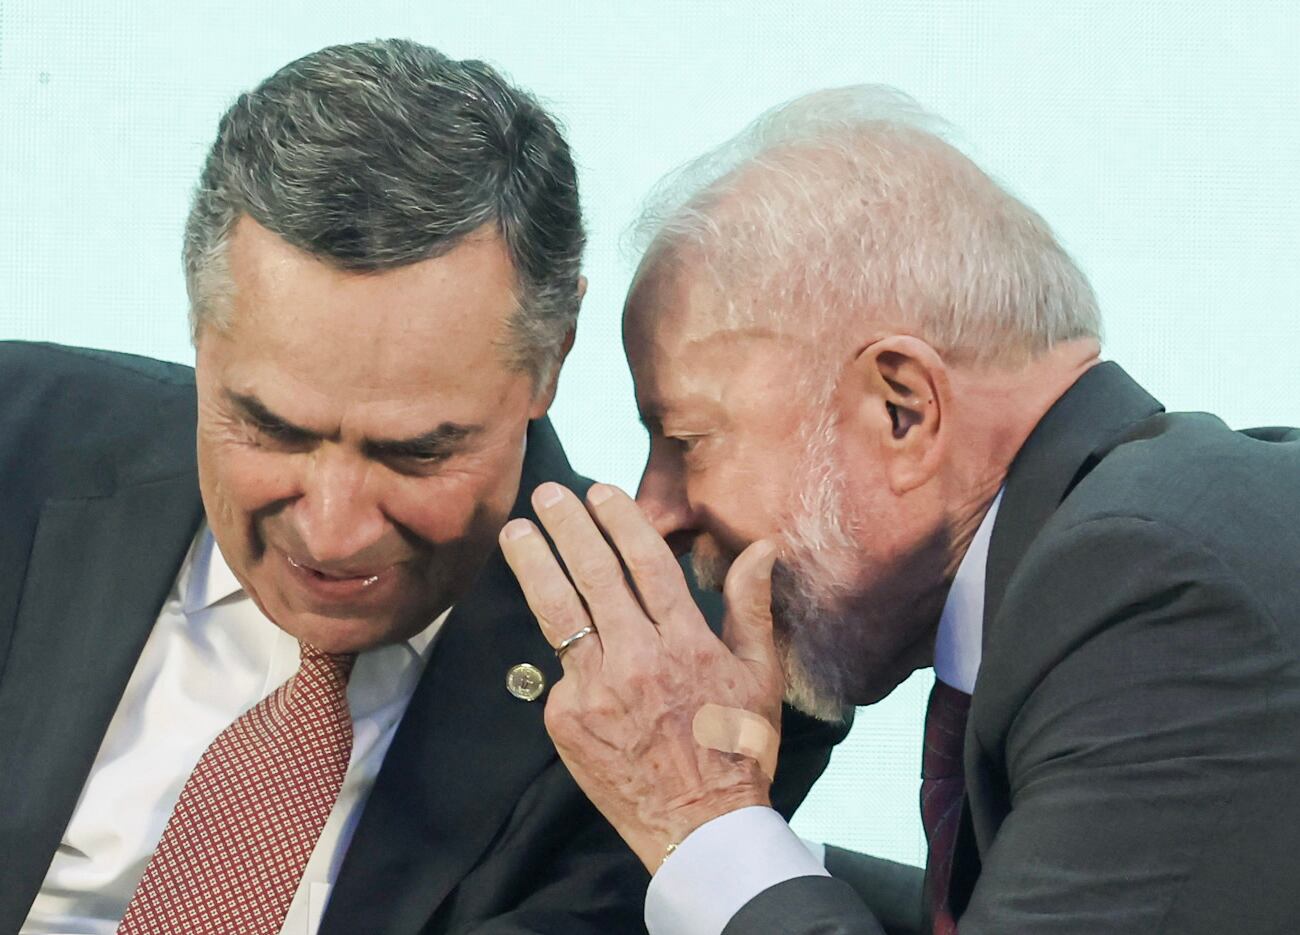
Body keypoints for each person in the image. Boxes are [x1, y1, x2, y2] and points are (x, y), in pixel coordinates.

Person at [0, 41, 843, 935]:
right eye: (273, 429)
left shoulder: (676, 691)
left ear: (549, 362)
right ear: (201, 331)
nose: (330, 531)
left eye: (414, 454)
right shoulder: (19, 444)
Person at [500, 85, 1300, 934]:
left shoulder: (1159, 585)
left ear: (902, 411)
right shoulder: (1150, 545)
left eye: (688, 438)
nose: (654, 509)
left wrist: (699, 816)